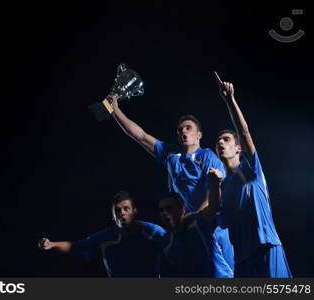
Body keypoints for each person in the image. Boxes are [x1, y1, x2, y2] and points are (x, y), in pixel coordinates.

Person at [108, 95, 234, 271]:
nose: (183, 131)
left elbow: (213, 196)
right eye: (180, 129)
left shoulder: (208, 157)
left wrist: (194, 219)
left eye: (188, 128)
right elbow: (140, 136)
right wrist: (114, 110)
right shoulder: (170, 154)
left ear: (199, 135)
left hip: (211, 227)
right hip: (183, 228)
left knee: (223, 276)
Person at [213, 71, 292, 277]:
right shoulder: (222, 185)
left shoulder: (249, 169)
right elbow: (221, 221)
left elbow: (244, 132)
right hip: (242, 260)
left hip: (267, 247)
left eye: (227, 140)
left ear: (238, 148)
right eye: (218, 141)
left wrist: (230, 100)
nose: (221, 142)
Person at [38, 191, 166, 277]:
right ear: (113, 216)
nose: (122, 213)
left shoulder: (154, 232)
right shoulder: (105, 237)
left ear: (135, 211)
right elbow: (75, 246)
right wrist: (52, 244)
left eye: (126, 208)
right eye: (117, 210)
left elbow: (175, 249)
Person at [158, 169, 233, 278]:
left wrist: (215, 183)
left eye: (169, 208)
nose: (165, 213)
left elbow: (214, 207)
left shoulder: (196, 222)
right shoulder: (165, 244)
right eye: (161, 210)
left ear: (182, 210)